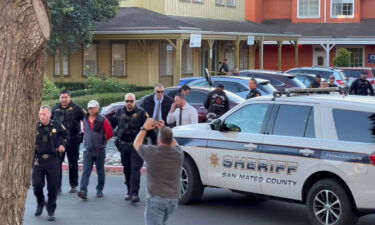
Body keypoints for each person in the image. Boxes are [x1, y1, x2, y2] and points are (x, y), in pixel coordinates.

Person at [133, 119, 183, 225]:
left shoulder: (152, 152)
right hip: (173, 200)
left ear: (159, 139)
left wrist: (144, 127)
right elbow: (174, 143)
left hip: (157, 199)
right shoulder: (179, 153)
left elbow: (136, 143)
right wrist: (163, 130)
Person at [111, 93, 149, 203]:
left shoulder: (141, 113)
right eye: (127, 101)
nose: (129, 103)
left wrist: (156, 142)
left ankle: (134, 193)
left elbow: (149, 128)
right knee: (127, 169)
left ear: (135, 102)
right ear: (124, 102)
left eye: (131, 101)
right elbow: (111, 124)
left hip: (136, 146)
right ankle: (129, 189)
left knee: (135, 169)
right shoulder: (119, 112)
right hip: (123, 146)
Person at [33, 106, 69, 221]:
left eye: (44, 114)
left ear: (49, 115)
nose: (42, 116)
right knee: (37, 185)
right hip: (38, 160)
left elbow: (66, 135)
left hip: (52, 160)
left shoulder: (56, 125)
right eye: (40, 114)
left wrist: (63, 145)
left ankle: (51, 210)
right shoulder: (34, 126)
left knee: (52, 187)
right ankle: (40, 202)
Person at [77, 100, 113, 200]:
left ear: (97, 108)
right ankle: (83, 190)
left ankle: (99, 190)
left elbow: (110, 132)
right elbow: (85, 130)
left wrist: (103, 140)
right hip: (88, 149)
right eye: (89, 108)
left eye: (93, 107)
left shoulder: (102, 119)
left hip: (99, 149)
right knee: (86, 171)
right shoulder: (85, 119)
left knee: (100, 171)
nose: (91, 109)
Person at [52, 90, 85, 194]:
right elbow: (50, 122)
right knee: (57, 163)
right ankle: (57, 187)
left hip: (73, 139)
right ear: (59, 98)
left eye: (66, 97)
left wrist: (85, 133)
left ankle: (73, 185)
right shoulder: (55, 108)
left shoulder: (76, 108)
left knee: (73, 163)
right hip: (59, 140)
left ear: (69, 97)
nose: (64, 99)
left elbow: (87, 119)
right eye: (62, 97)